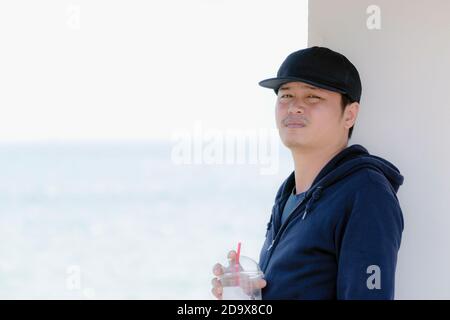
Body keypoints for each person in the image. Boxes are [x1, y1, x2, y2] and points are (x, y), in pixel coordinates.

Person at [211, 46, 404, 300]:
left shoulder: (366, 193)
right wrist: (248, 296)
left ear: (350, 114)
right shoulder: (288, 192)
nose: (295, 107)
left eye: (313, 97)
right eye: (286, 95)